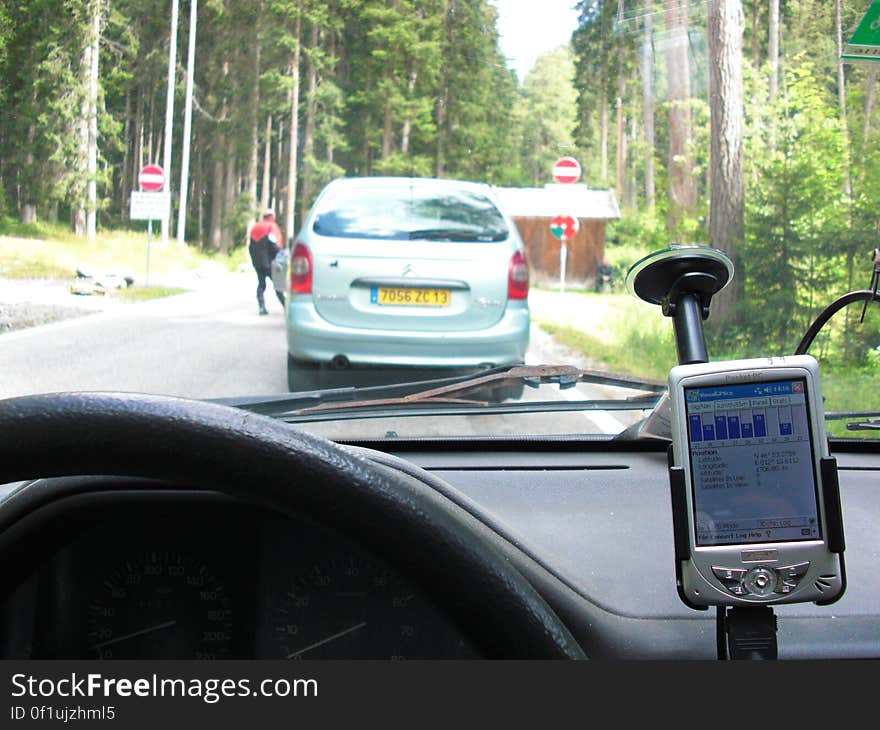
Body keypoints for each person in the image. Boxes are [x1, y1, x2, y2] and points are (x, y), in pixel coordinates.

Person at [248, 209, 286, 315]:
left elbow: (250, 247)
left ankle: (261, 307)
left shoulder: (255, 227)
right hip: (269, 263)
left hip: (257, 263)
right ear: (272, 216)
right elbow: (274, 245)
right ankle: (285, 306)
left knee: (261, 284)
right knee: (278, 285)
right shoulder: (271, 227)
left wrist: (253, 260)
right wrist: (282, 253)